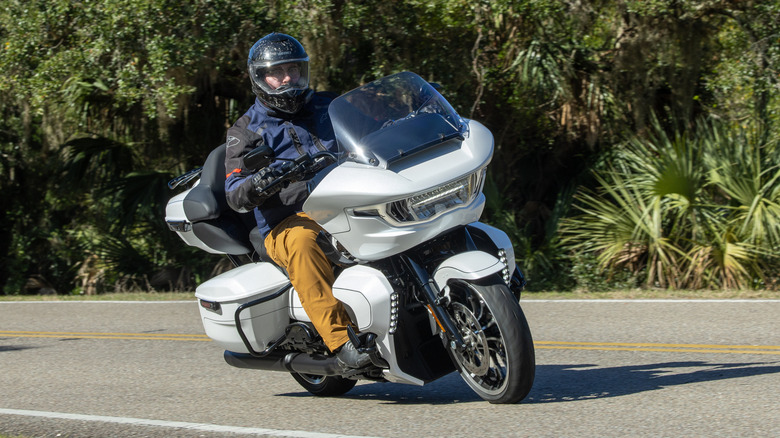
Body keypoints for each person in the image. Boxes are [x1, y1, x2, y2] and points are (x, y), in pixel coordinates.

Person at [223, 32, 370, 369]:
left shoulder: (328, 104)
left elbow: (370, 130)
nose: (288, 78)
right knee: (304, 243)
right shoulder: (245, 131)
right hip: (288, 222)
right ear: (260, 77)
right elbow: (235, 193)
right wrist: (263, 180)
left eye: (294, 69)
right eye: (279, 72)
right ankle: (341, 340)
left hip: (346, 202)